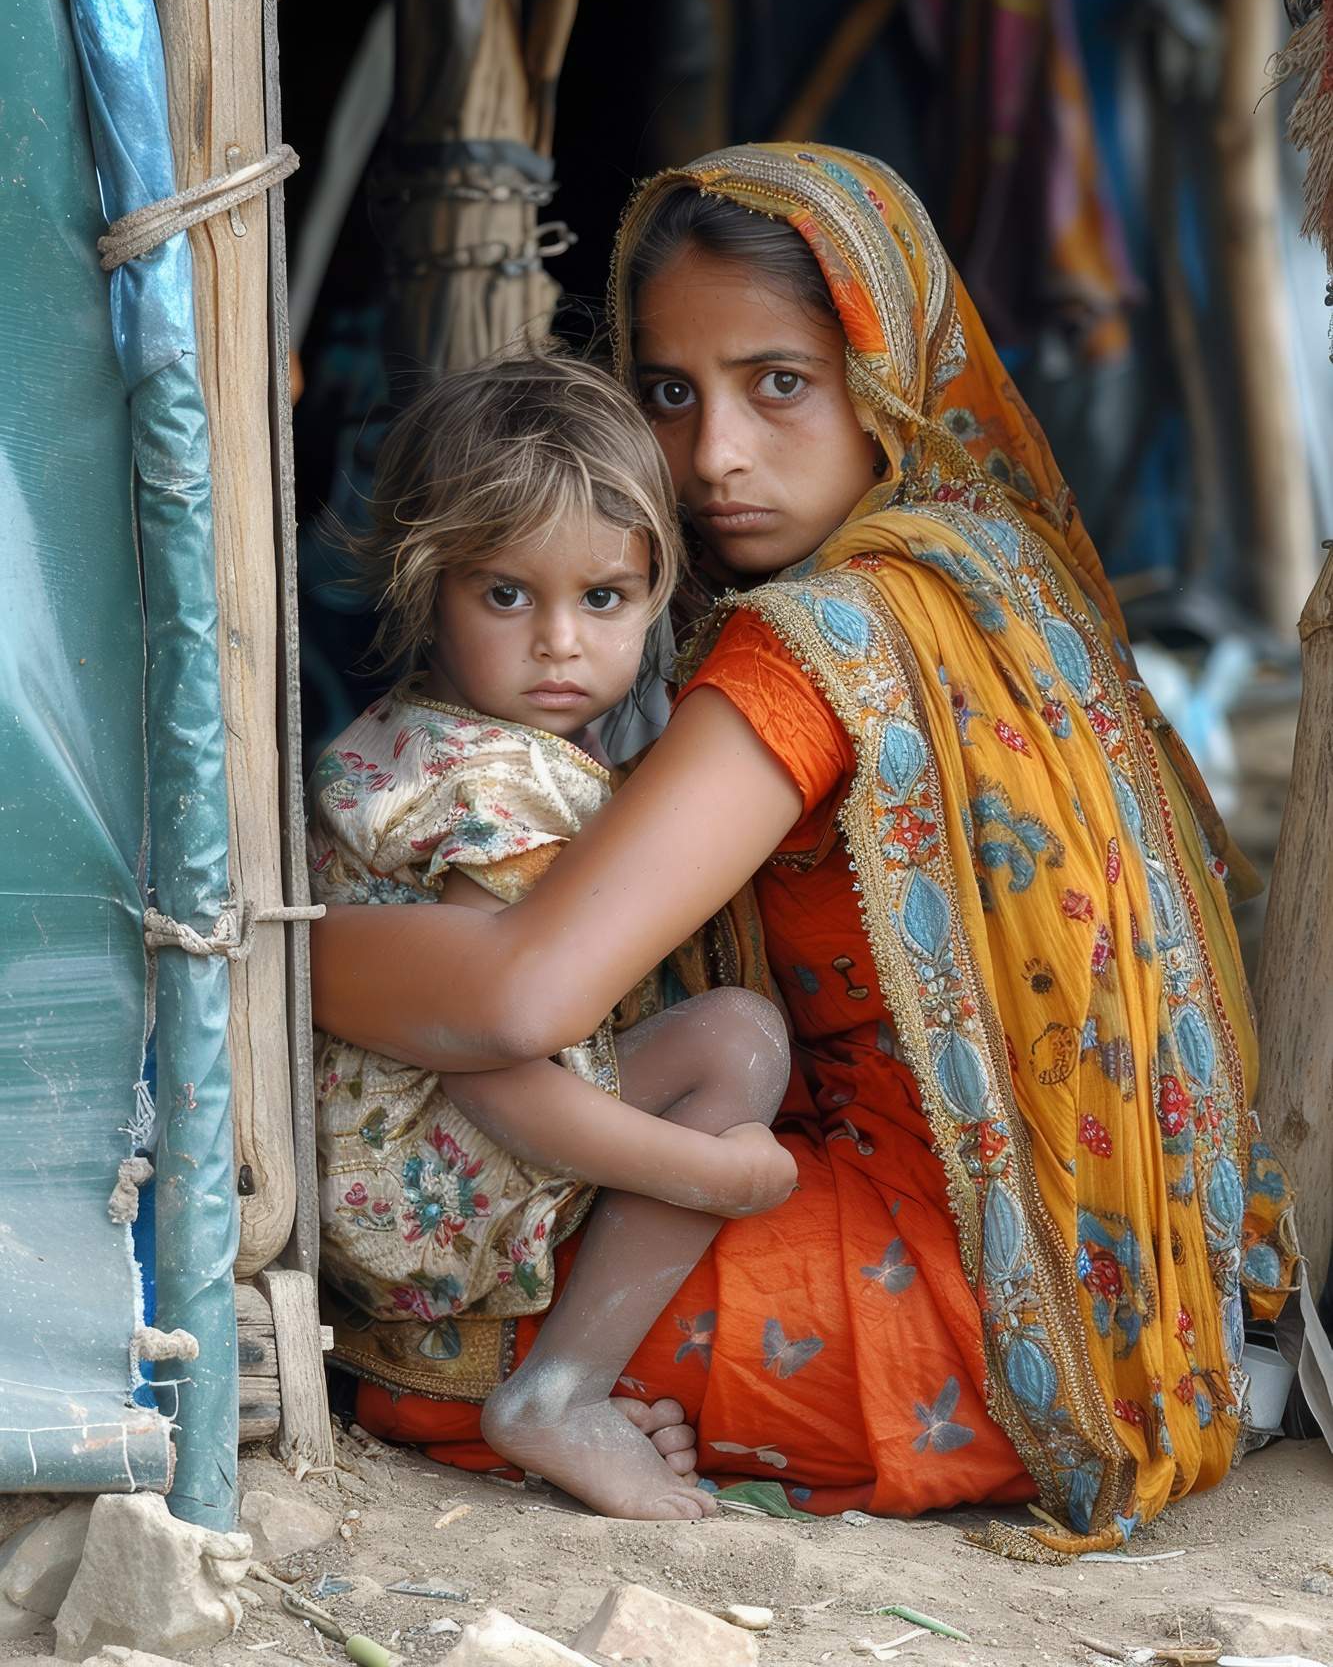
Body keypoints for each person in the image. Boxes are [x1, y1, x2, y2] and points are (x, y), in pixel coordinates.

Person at [312, 144, 1297, 1551]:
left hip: (949, 1311)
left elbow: (522, 995)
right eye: (669, 392)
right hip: (1128, 1302)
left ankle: (562, 1397)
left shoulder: (816, 642)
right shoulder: (995, 571)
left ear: (883, 375)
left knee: (418, 1340)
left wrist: (268, 937)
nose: (714, 454)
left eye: (779, 382)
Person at [309, 354, 796, 1521]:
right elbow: (490, 1066)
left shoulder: (408, 735)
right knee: (736, 1041)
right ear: (427, 588)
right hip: (422, 1182)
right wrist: (707, 1172)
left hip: (364, 1171)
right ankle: (557, 1393)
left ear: (655, 590)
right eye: (507, 595)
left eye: (604, 598)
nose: (560, 643)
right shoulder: (495, 783)